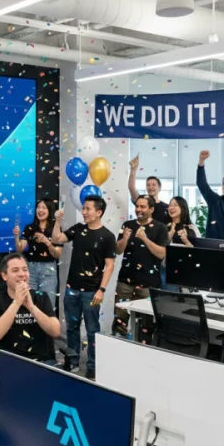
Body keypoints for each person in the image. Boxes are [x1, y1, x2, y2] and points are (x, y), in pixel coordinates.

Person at [52, 195, 117, 380]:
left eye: (88, 209)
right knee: (71, 328)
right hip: (72, 289)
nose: (84, 212)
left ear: (99, 212)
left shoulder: (108, 236)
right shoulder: (78, 229)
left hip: (92, 292)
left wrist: (101, 290)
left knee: (92, 330)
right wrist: (57, 221)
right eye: (84, 208)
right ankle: (72, 362)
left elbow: (109, 265)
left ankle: (92, 367)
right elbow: (57, 238)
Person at [0, 253, 61, 364]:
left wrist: (31, 307)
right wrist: (16, 303)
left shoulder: (41, 297)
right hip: (9, 361)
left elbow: (55, 331)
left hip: (41, 361)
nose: (22, 274)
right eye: (15, 270)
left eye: (25, 270)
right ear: (4, 276)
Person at [113, 196, 170, 336]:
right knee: (120, 321)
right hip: (125, 283)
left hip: (148, 285)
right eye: (137, 206)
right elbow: (117, 250)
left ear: (151, 209)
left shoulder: (160, 228)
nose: (138, 209)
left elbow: (162, 254)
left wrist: (144, 238)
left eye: (143, 207)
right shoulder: (127, 225)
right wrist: (124, 239)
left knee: (146, 324)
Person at [13, 199, 62, 308]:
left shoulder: (55, 229)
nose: (40, 210)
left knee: (48, 304)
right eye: (38, 207)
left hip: (49, 269)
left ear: (50, 210)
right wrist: (16, 236)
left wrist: (47, 242)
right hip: (31, 268)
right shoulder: (30, 228)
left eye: (44, 207)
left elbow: (57, 254)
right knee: (29, 303)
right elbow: (20, 249)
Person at [128, 155, 170, 223]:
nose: (150, 187)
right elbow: (131, 188)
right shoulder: (141, 200)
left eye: (153, 185)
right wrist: (133, 170)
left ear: (160, 187)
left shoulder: (166, 207)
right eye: (148, 185)